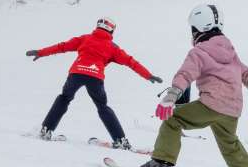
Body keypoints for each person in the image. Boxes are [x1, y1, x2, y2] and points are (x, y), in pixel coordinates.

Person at [135, 4, 248, 167]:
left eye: (192, 30)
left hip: (211, 104)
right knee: (229, 142)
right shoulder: (231, 53)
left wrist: (171, 96)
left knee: (173, 120)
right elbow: (246, 73)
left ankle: (160, 165)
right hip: (232, 110)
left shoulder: (199, 52)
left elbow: (185, 74)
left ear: (198, 28)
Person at [27, 16, 162, 149]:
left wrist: (41, 52)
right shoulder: (113, 47)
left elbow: (62, 47)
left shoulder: (85, 38)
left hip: (76, 73)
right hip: (95, 77)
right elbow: (130, 62)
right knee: (102, 107)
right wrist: (148, 75)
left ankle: (46, 130)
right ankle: (120, 140)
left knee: (64, 98)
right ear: (111, 30)